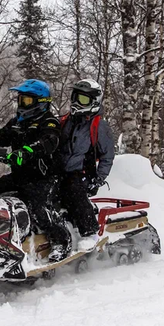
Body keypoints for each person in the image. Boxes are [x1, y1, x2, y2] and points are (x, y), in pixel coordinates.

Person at [0, 79, 71, 262]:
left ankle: (61, 242)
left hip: (44, 177)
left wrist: (26, 152)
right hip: (20, 176)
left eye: (27, 100)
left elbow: (48, 142)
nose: (22, 104)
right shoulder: (17, 123)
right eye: (21, 99)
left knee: (37, 206)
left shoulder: (49, 123)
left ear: (41, 102)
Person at [57, 78, 116, 251]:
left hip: (82, 173)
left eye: (82, 99)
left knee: (73, 191)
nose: (76, 103)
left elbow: (108, 156)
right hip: (61, 170)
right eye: (75, 97)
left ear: (94, 101)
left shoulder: (98, 126)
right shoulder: (67, 121)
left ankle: (90, 231)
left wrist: (98, 179)